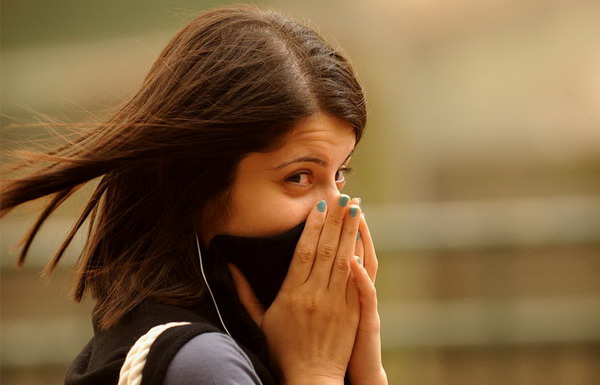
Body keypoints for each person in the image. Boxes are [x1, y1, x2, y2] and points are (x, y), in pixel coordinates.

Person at [1, 5, 387, 385]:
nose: (338, 207)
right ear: (199, 186)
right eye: (299, 176)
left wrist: (364, 366)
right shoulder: (200, 364)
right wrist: (316, 373)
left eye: (339, 174)